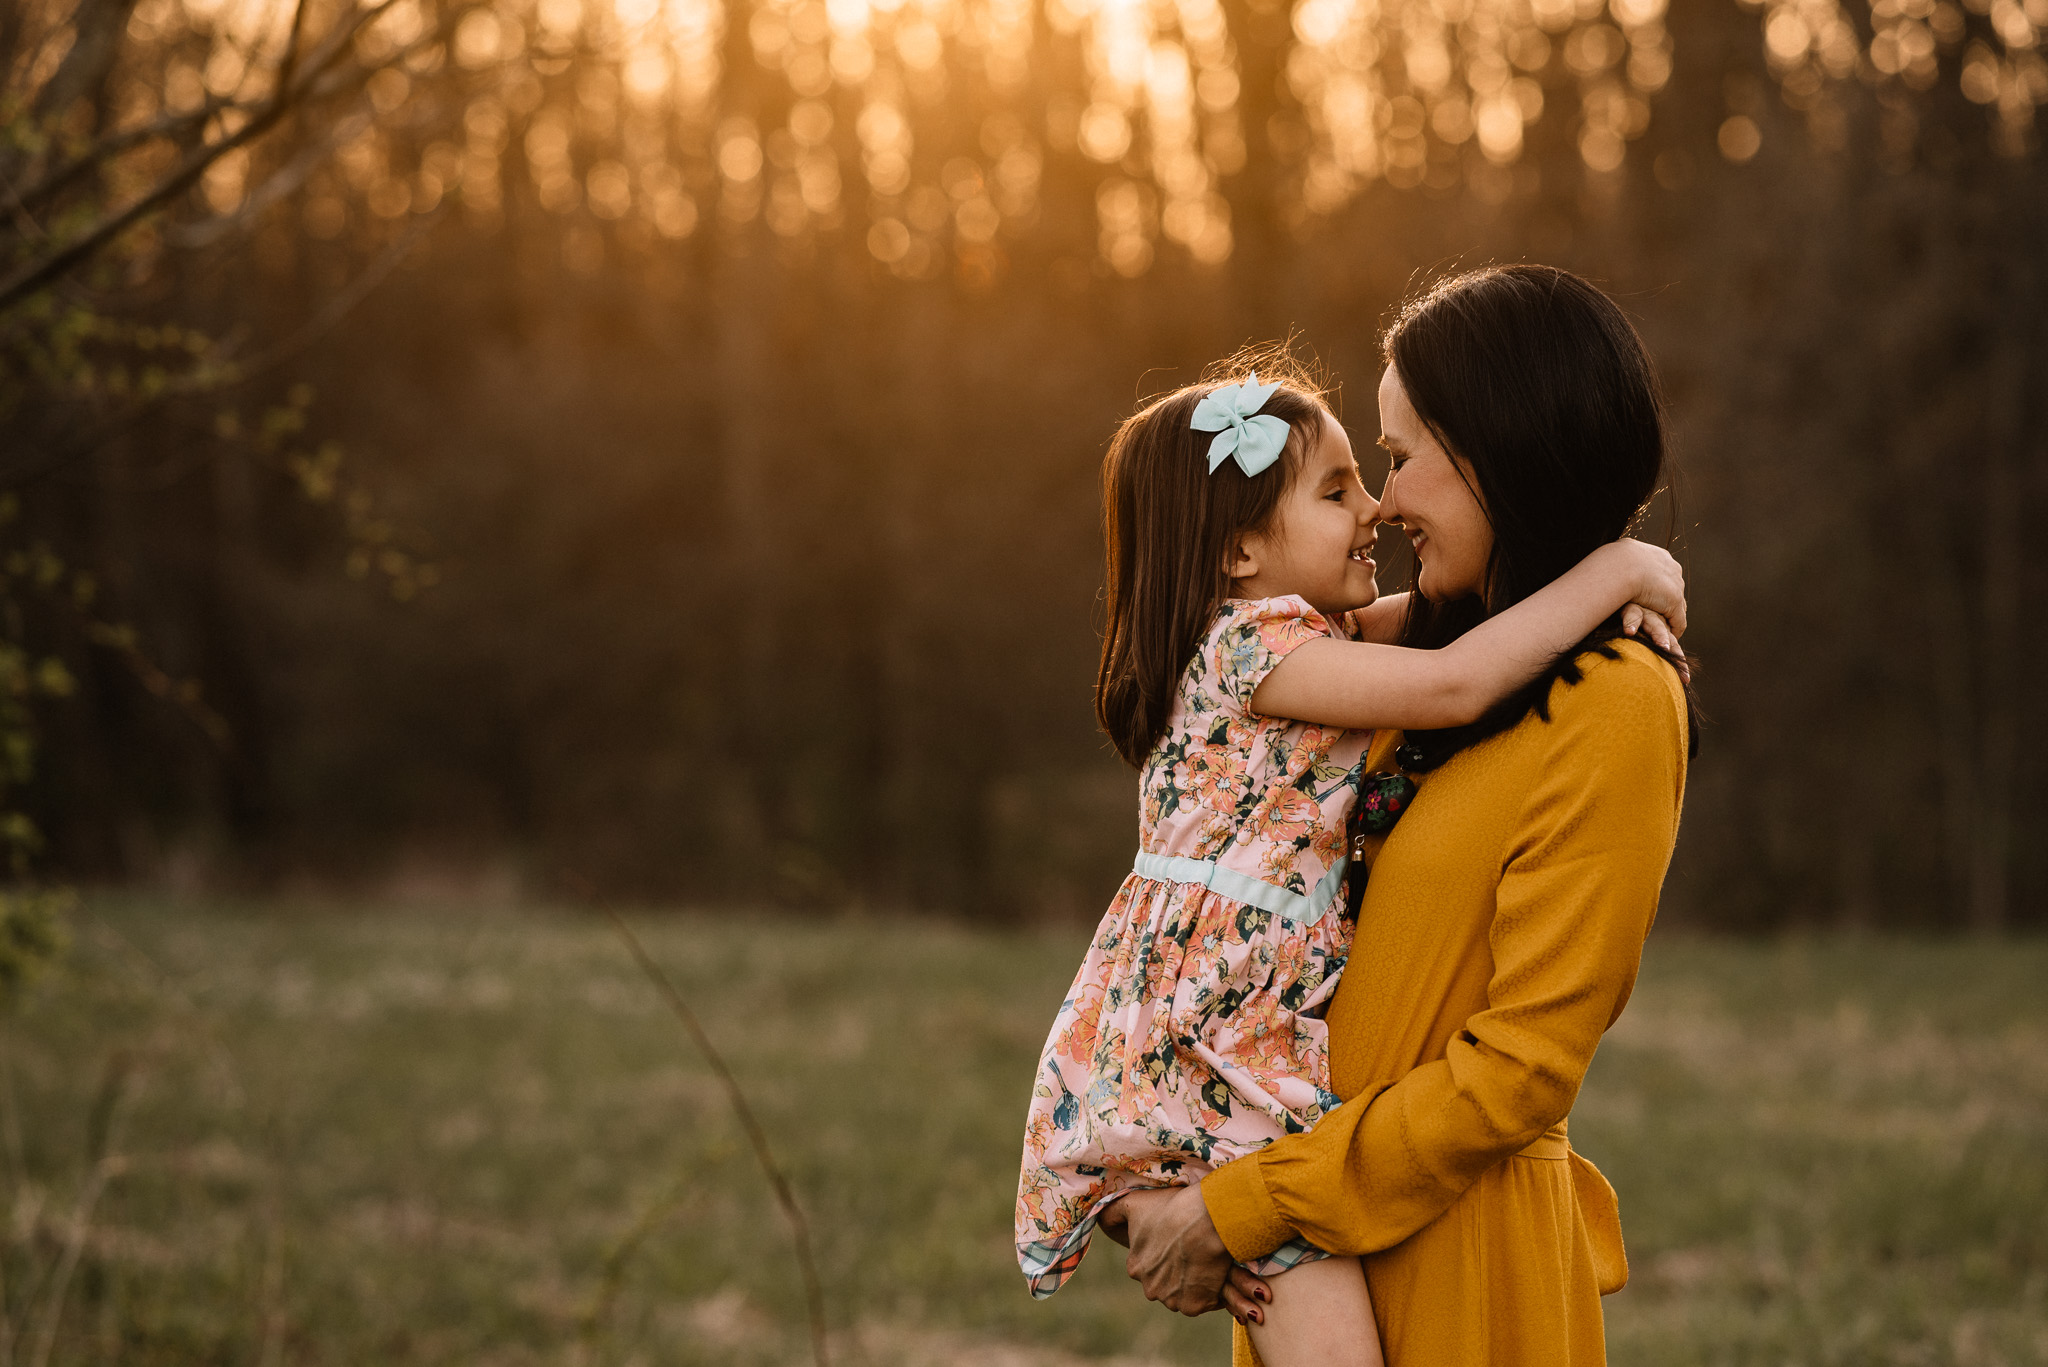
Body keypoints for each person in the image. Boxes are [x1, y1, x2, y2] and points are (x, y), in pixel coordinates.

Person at [1015, 340, 1688, 1367]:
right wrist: (1617, 570)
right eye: (1344, 483)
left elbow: (1520, 1069)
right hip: (1256, 1105)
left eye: (1395, 459)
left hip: (1395, 1205)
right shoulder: (1274, 649)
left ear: (1493, 459)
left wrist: (1606, 583)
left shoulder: (1607, 699)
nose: (1376, 503)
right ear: (1239, 549)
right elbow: (1454, 675)